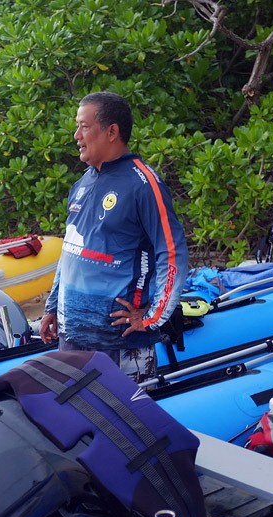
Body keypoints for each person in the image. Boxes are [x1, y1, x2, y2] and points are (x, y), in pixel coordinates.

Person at [39, 92, 188, 382]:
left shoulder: (143, 183)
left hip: (119, 345)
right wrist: (52, 307)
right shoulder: (82, 183)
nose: (76, 135)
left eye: (84, 126)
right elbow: (71, 249)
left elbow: (172, 252)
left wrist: (153, 316)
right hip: (72, 338)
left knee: (128, 427)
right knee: (79, 423)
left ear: (111, 131)